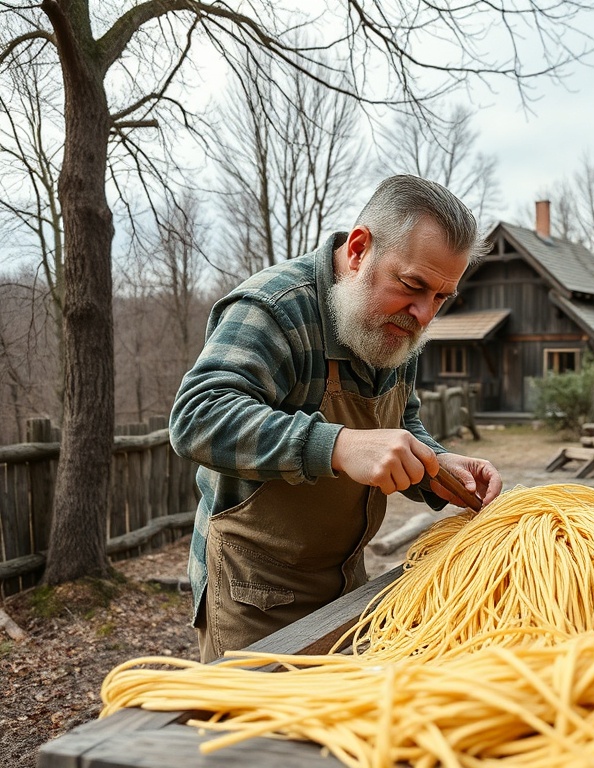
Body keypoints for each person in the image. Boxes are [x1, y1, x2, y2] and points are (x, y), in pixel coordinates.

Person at [170, 175, 503, 661]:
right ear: (360, 248)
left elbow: (400, 423)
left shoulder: (397, 320)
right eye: (412, 285)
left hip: (348, 583)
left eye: (441, 297)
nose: (424, 313)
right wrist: (339, 446)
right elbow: (198, 416)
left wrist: (439, 466)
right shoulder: (274, 307)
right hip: (254, 594)